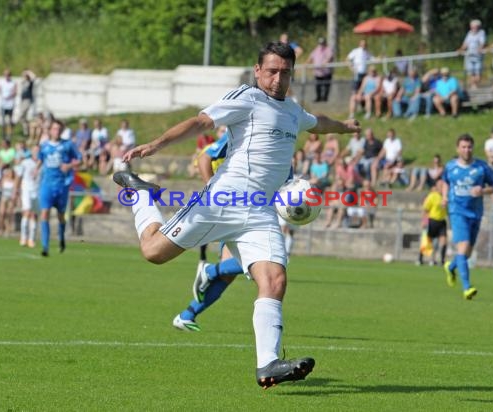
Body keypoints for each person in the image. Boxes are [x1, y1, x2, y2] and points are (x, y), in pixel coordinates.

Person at [112, 41, 361, 388]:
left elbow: (318, 123)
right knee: (153, 252)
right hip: (222, 201)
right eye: (271, 71)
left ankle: (268, 365)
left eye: (285, 72)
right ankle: (139, 193)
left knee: (274, 281)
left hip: (261, 213)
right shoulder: (246, 98)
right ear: (258, 71)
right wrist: (156, 145)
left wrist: (345, 127)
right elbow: (201, 121)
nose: (278, 79)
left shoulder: (292, 110)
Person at [173, 130, 246, 332]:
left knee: (229, 273)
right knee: (272, 262)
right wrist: (212, 192)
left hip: (249, 209)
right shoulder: (239, 135)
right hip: (234, 207)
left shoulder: (282, 138)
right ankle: (209, 271)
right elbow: (204, 158)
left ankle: (187, 315)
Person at [442, 134, 493, 300]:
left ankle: (451, 267)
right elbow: (445, 181)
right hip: (457, 212)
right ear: (458, 148)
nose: (466, 150)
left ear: (473, 148)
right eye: (463, 147)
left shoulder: (481, 167)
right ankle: (467, 287)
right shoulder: (450, 167)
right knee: (463, 247)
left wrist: (482, 191)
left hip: (476, 213)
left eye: (469, 147)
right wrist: (444, 196)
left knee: (466, 254)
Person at [38, 120, 82, 257]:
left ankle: (61, 238)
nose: (56, 131)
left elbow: (80, 159)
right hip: (46, 184)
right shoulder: (44, 146)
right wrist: (36, 169)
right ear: (50, 130)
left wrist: (69, 166)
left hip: (62, 185)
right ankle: (45, 247)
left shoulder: (67, 145)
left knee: (60, 216)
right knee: (44, 213)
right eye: (54, 129)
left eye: (58, 129)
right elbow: (41, 160)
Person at [418, 180, 447, 266]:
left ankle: (442, 260)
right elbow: (425, 210)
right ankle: (420, 259)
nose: (443, 188)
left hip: (441, 222)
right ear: (437, 187)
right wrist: (424, 222)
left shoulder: (446, 198)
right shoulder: (432, 196)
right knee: (427, 241)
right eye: (441, 186)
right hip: (432, 221)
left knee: (444, 241)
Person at [15, 146, 39, 247]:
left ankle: (31, 239)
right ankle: (23, 237)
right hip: (26, 190)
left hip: (37, 191)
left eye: (38, 151)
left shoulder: (42, 164)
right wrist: (15, 190)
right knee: (27, 211)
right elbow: (18, 176)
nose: (36, 153)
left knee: (34, 214)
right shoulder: (25, 162)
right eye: (35, 151)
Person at [0, 69, 18, 139]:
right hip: (3, 104)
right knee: (3, 120)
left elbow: (15, 92)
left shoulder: (13, 83)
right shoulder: (1, 82)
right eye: (5, 75)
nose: (7, 76)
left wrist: (9, 96)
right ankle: (3, 134)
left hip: (10, 104)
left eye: (8, 75)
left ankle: (10, 134)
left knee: (10, 120)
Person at [458, 19, 486, 90]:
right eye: (472, 27)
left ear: (478, 27)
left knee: (478, 74)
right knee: (470, 73)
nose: (473, 28)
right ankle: (473, 86)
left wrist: (480, 48)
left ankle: (474, 84)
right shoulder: (469, 33)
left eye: (474, 27)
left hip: (478, 57)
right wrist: (461, 49)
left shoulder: (481, 32)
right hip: (469, 56)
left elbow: (482, 43)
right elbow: (465, 43)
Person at [305, 37, 334, 102]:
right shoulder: (316, 49)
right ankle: (318, 98)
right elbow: (311, 57)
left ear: (325, 43)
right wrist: (306, 63)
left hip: (326, 72)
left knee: (326, 85)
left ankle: (325, 98)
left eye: (323, 43)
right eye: (320, 43)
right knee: (318, 86)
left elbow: (330, 57)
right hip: (318, 72)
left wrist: (325, 62)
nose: (321, 44)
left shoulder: (328, 49)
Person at [18, 70, 36, 137]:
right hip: (22, 100)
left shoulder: (30, 82)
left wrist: (28, 72)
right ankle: (26, 132)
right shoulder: (23, 82)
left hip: (27, 100)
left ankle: (27, 127)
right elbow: (21, 76)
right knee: (23, 118)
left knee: (21, 115)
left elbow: (34, 77)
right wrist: (24, 73)